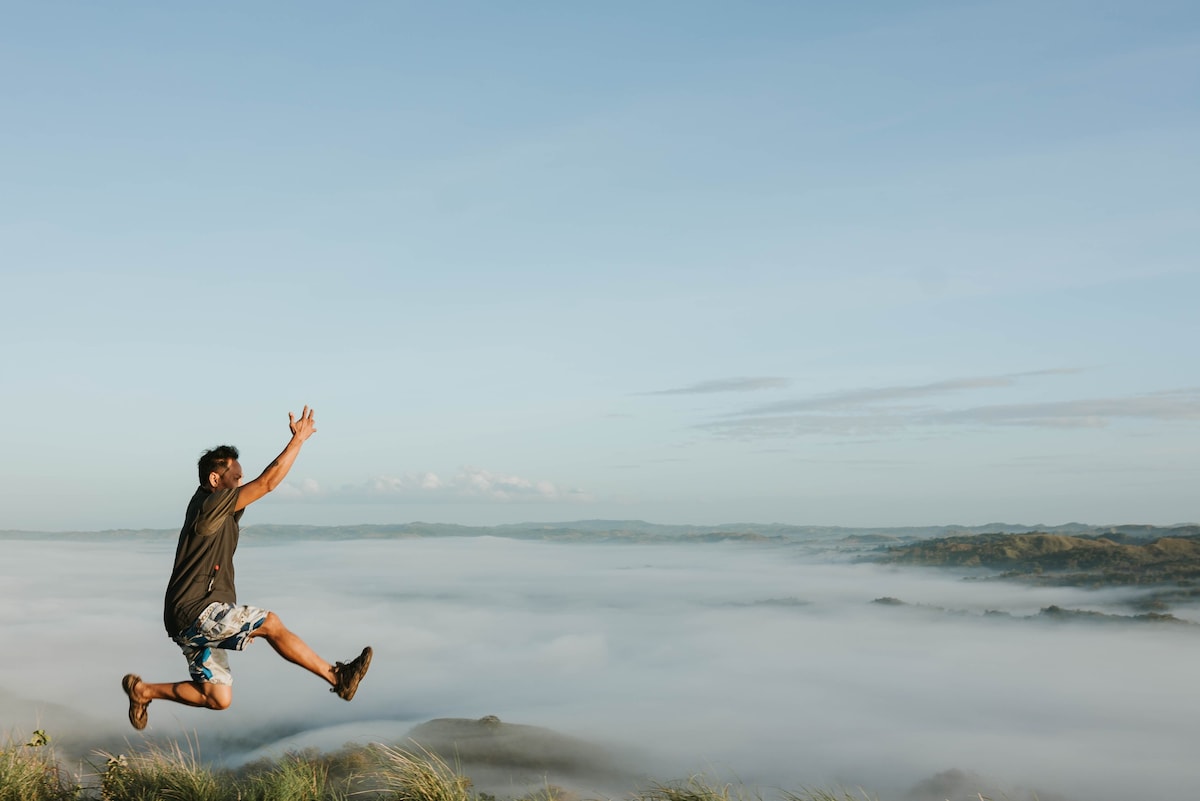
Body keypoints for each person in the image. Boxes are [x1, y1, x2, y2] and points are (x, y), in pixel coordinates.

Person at [121, 406, 372, 731]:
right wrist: (298, 440)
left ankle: (142, 691)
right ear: (215, 479)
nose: (241, 483)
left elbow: (263, 486)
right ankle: (338, 677)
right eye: (235, 478)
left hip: (189, 616)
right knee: (271, 622)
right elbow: (267, 483)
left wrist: (233, 621)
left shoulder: (222, 509)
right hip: (195, 612)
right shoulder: (210, 505)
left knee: (218, 698)